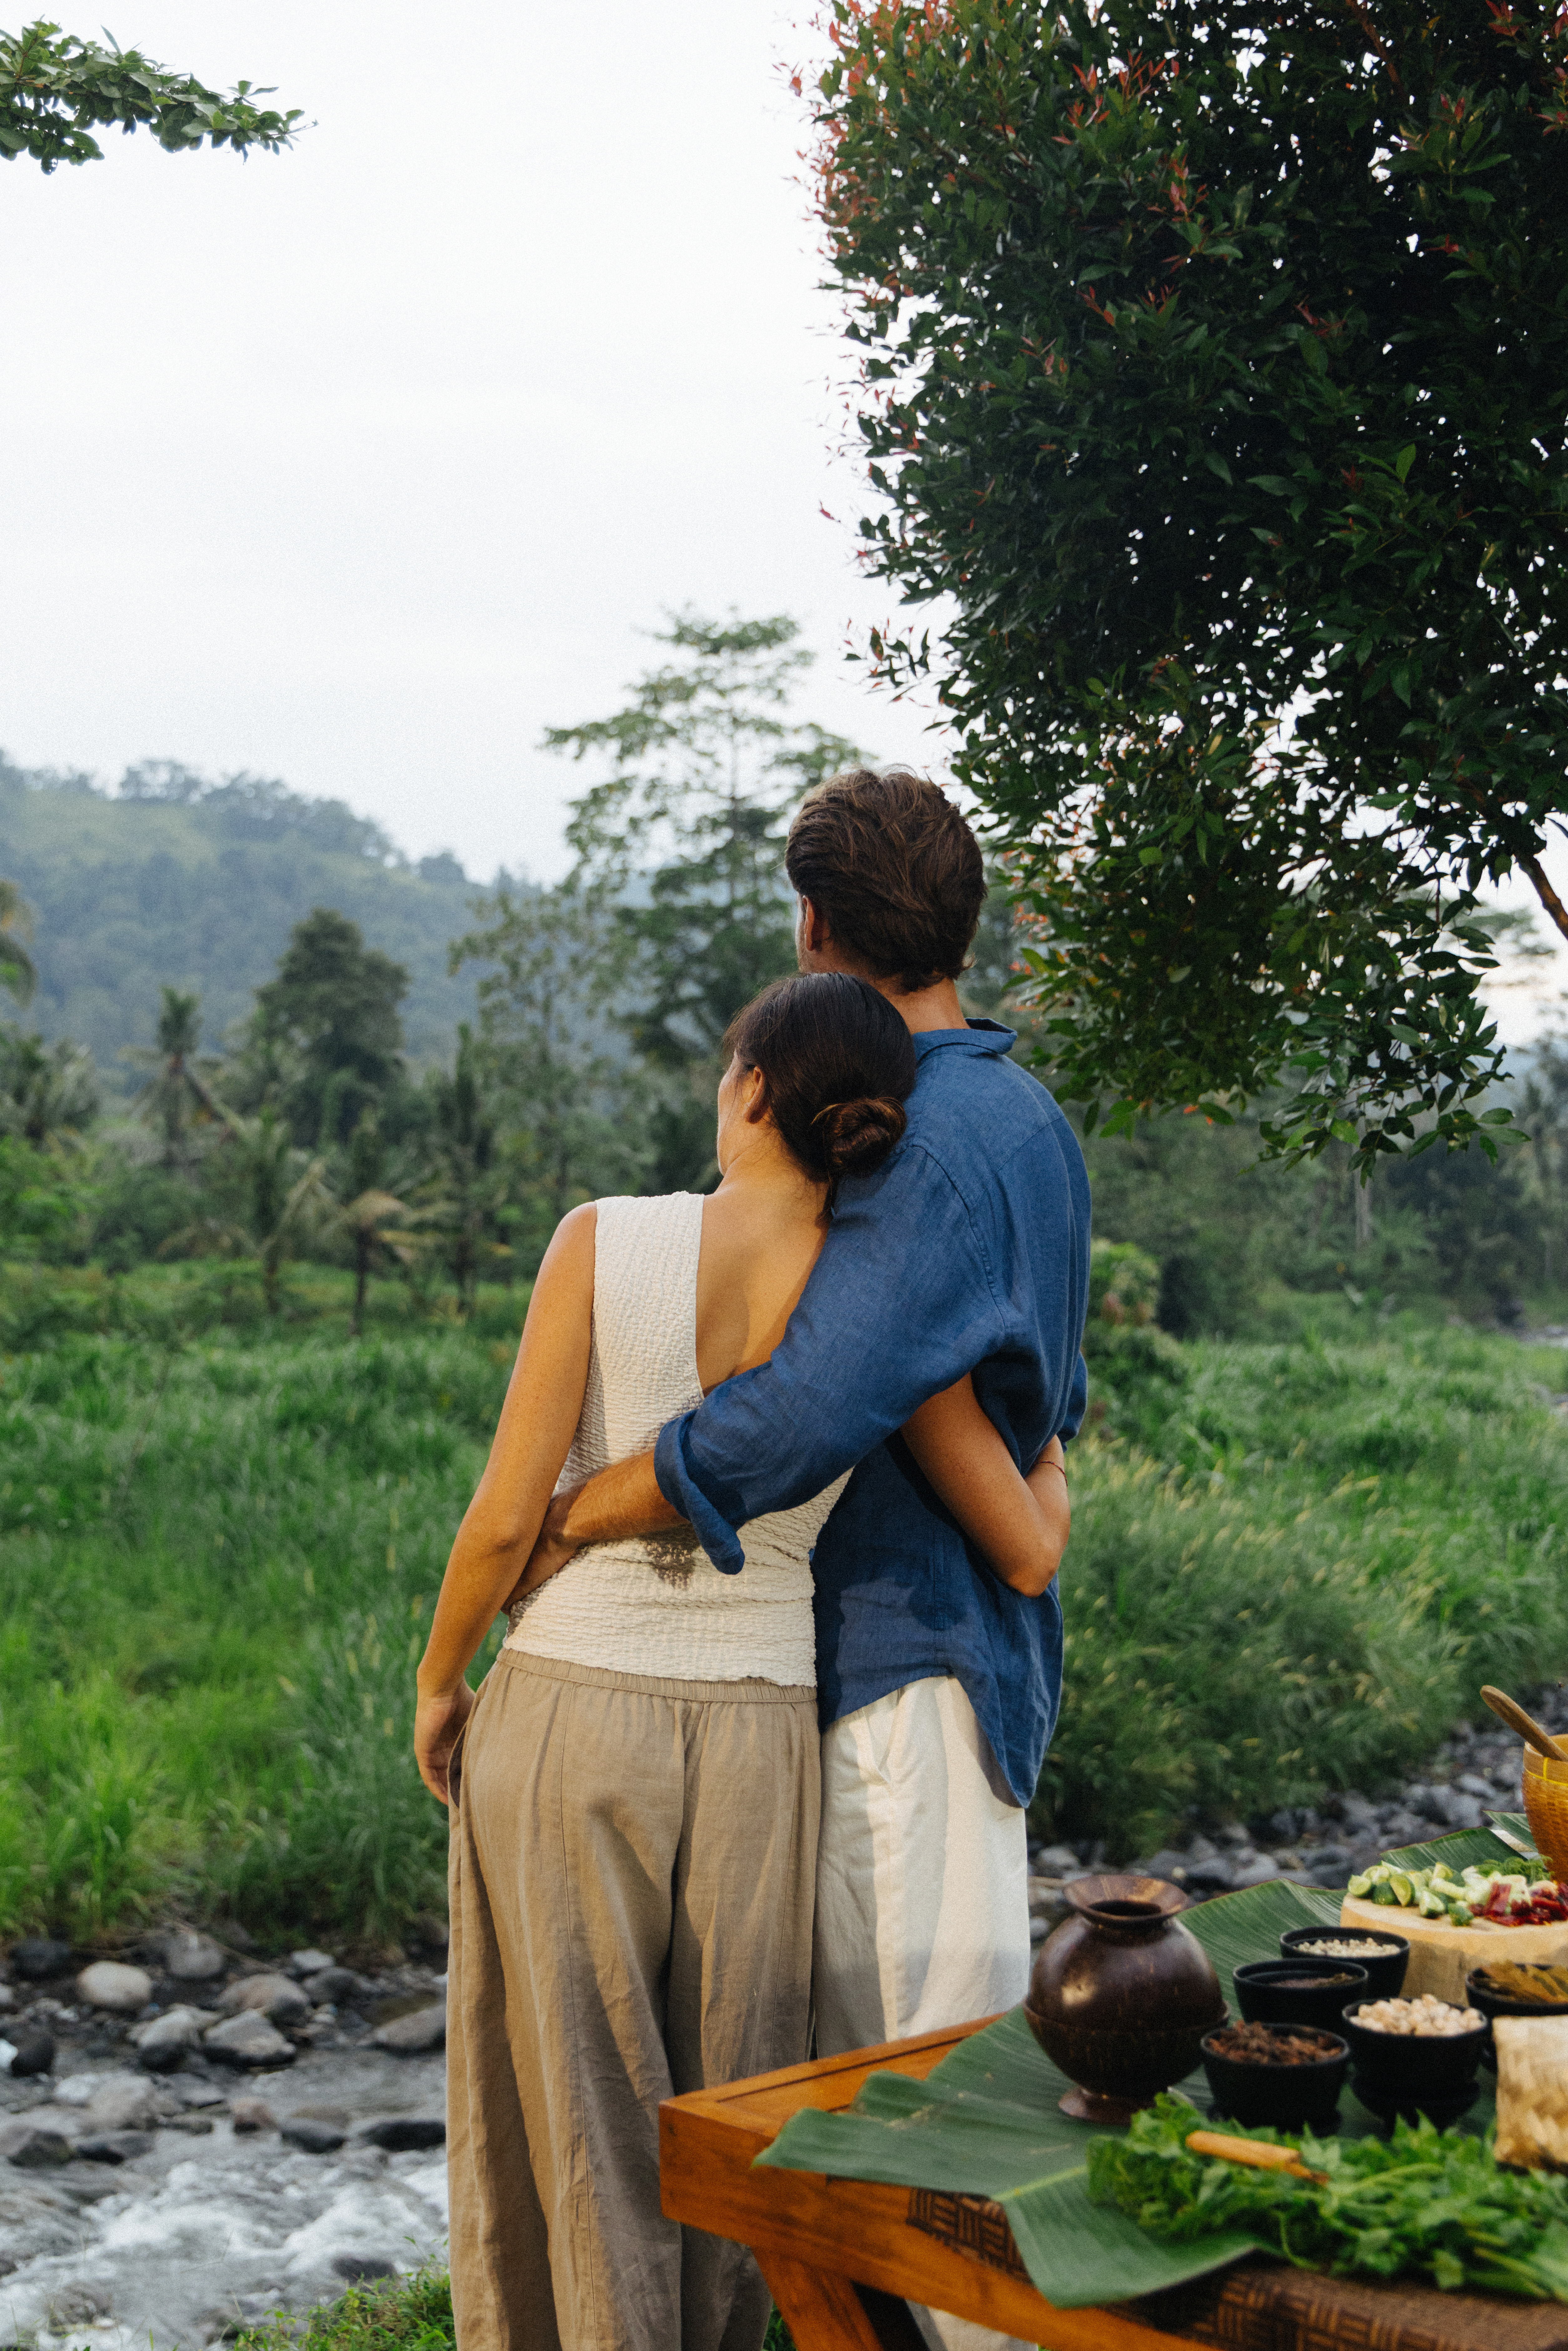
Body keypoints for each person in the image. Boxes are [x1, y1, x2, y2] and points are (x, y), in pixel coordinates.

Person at [515, 769, 1090, 2351]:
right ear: (961, 920)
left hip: (895, 1684)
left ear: (816, 931)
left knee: (927, 2164)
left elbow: (798, 1413)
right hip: (960, 1663)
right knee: (926, 2141)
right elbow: (1042, 1406)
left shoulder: (929, 1135)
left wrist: (570, 1515)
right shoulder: (1025, 1121)